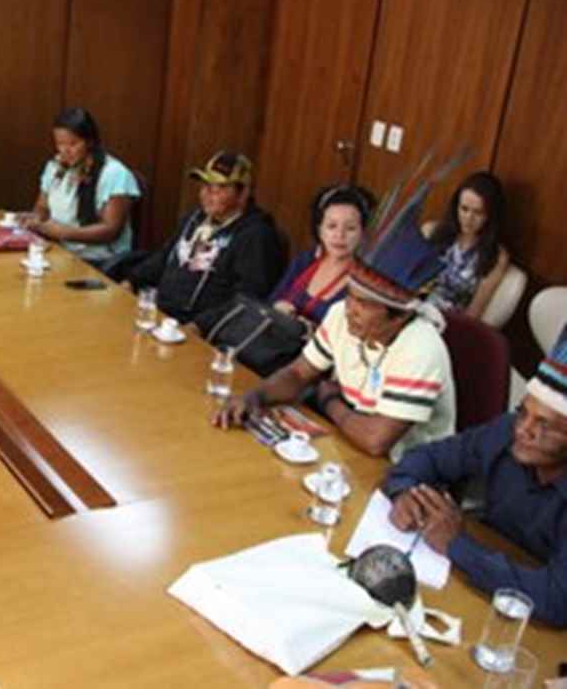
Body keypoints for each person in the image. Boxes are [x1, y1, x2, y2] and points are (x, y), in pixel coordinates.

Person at [214, 166, 456, 461]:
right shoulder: (341, 314)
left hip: (404, 467)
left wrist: (330, 401)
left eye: (364, 304)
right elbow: (298, 372)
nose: (350, 309)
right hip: (346, 443)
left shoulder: (421, 348)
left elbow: (376, 441)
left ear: (400, 316)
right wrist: (255, 396)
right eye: (350, 296)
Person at [382, 325, 567, 627]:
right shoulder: (507, 431)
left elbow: (556, 600)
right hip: (476, 582)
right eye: (524, 413)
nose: (524, 429)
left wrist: (458, 546)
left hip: (529, 627)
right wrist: (406, 493)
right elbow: (426, 458)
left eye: (544, 425)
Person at [126, 151, 284, 329]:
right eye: (205, 185)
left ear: (243, 194)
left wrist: (200, 326)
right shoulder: (195, 218)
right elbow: (165, 257)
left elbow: (246, 300)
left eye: (218, 189)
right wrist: (131, 280)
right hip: (161, 313)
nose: (207, 194)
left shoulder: (256, 236)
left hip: (199, 328)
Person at [22, 107, 141, 265]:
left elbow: (111, 230)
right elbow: (42, 207)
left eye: (73, 144)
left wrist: (65, 233)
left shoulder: (114, 173)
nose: (65, 151)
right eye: (60, 144)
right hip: (60, 251)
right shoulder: (55, 166)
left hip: (97, 259)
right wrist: (36, 220)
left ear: (90, 142)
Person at [270, 184, 375, 328]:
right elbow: (271, 302)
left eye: (350, 228)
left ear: (363, 233)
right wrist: (278, 308)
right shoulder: (305, 261)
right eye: (332, 226)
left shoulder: (365, 281)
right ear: (320, 230)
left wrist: (313, 330)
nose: (339, 235)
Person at [425, 171, 510, 319]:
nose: (468, 218)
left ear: (490, 215)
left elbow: (474, 312)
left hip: (447, 321)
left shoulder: (497, 256)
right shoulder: (431, 230)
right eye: (464, 209)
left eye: (478, 212)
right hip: (411, 306)